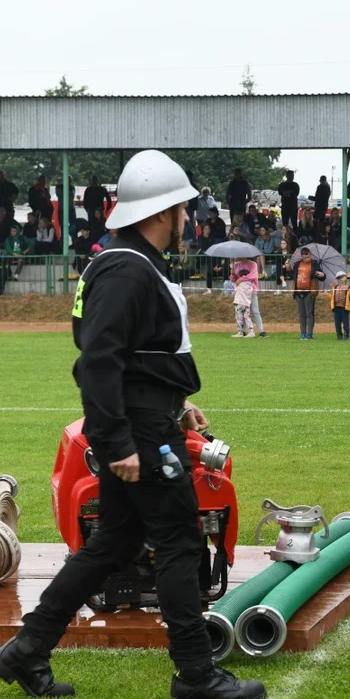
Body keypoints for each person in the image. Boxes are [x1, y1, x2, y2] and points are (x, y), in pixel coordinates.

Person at [0, 150, 264, 698]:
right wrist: (120, 439)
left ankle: (27, 651)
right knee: (179, 540)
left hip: (146, 419)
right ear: (163, 211)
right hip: (138, 432)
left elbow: (138, 354)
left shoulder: (126, 261)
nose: (190, 219)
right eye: (184, 209)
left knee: (113, 545)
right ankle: (196, 674)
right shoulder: (126, 266)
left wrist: (177, 403)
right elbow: (97, 360)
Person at [288, 246, 324, 340]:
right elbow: (293, 276)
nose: (306, 259)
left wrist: (322, 275)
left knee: (309, 313)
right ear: (301, 257)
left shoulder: (315, 264)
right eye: (304, 258)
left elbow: (322, 276)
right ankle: (302, 333)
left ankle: (309, 334)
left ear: (310, 255)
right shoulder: (297, 264)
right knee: (301, 314)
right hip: (298, 291)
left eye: (308, 257)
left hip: (310, 291)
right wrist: (288, 268)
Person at [229, 256, 265, 338]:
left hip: (251, 290)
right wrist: (232, 274)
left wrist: (241, 279)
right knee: (242, 311)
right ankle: (243, 331)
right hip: (241, 290)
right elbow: (233, 279)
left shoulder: (253, 264)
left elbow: (253, 275)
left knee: (255, 310)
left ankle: (261, 331)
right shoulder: (236, 265)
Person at [328, 270, 350, 340]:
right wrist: (327, 295)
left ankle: (346, 335)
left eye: (342, 277)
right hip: (336, 307)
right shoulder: (335, 287)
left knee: (345, 322)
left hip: (344, 307)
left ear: (345, 277)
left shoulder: (348, 287)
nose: (340, 279)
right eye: (338, 278)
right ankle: (339, 335)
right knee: (337, 322)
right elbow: (332, 297)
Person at [232, 270, 255, 338]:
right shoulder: (251, 285)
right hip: (246, 303)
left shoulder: (240, 283)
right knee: (247, 317)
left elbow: (235, 289)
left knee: (239, 318)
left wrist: (234, 276)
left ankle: (240, 332)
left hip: (239, 302)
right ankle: (251, 331)